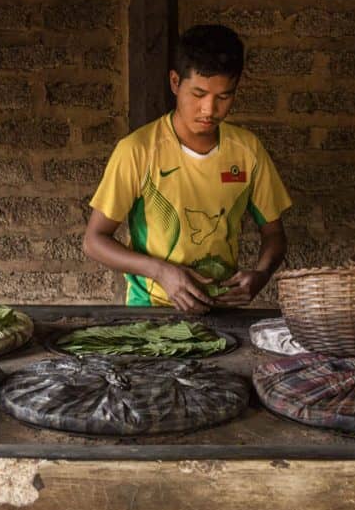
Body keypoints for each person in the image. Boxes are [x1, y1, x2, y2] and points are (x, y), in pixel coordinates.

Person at [82, 24, 292, 314]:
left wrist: (261, 275)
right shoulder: (138, 150)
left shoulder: (247, 151)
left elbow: (274, 234)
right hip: (152, 309)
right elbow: (94, 241)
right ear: (174, 82)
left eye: (224, 97)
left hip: (222, 308)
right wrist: (161, 271)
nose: (209, 109)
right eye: (199, 93)